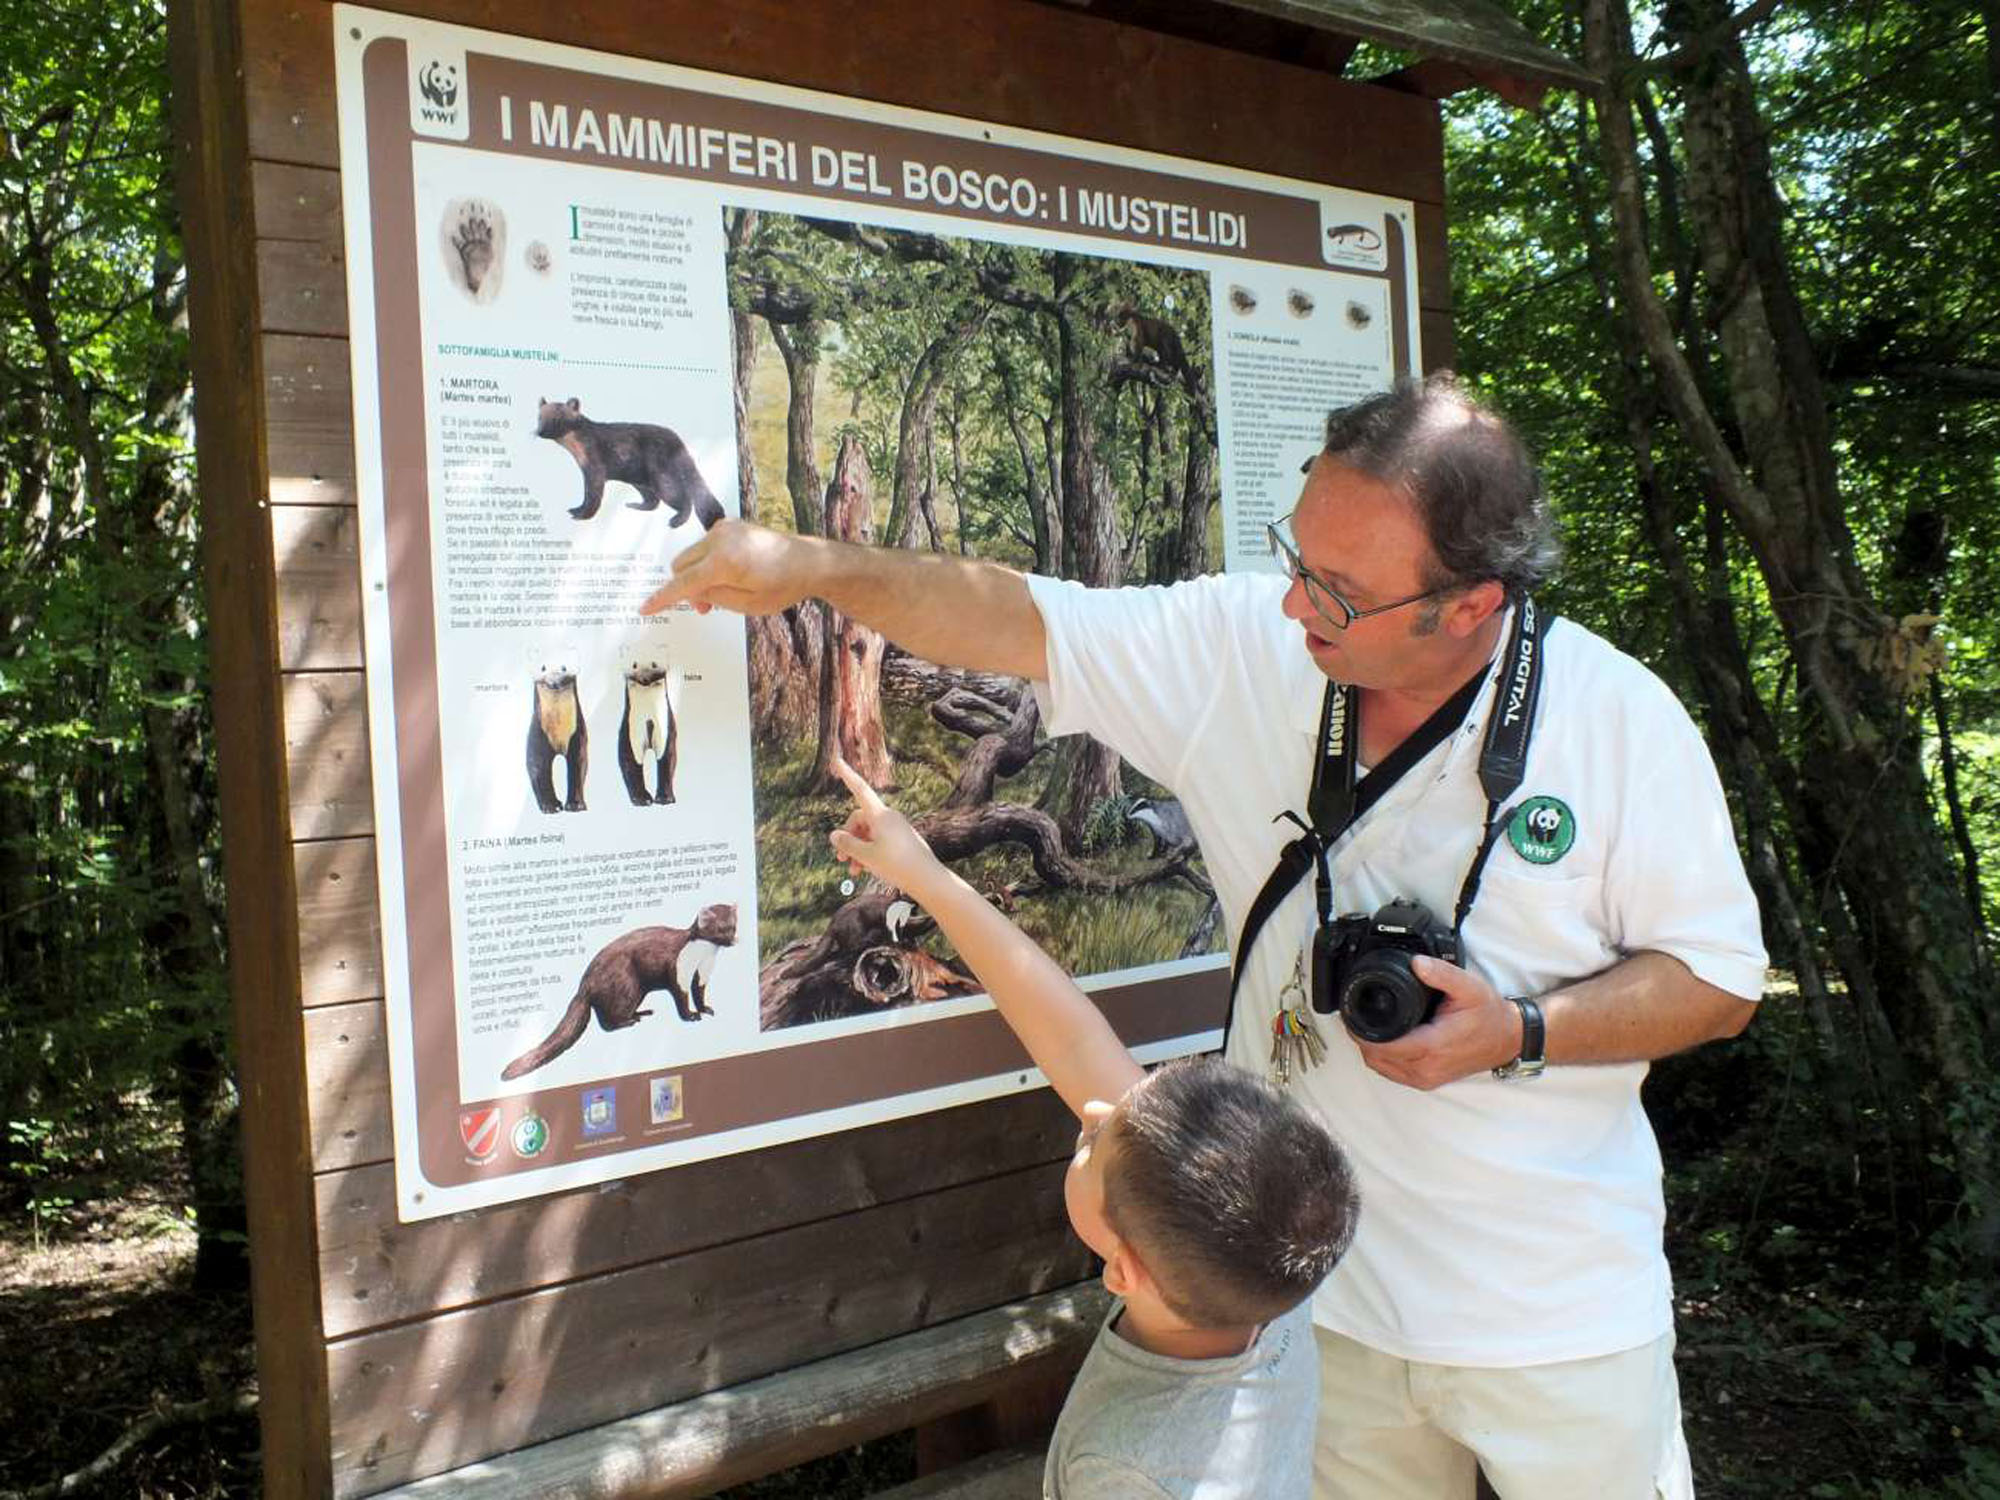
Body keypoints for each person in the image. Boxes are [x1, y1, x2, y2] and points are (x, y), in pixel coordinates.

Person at [641, 373, 1768, 1499]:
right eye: (1296, 560)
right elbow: (1015, 615)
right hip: (1315, 1312)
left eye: (1336, 592)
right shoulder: (1242, 650)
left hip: (1556, 1317)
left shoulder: (1616, 719)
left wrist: (1518, 1028)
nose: (1293, 608)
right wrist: (805, 568)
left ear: (1467, 604)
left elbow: (1713, 983)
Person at [826, 755, 1358, 1500]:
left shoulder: (1131, 1470)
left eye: (1094, 1142)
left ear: (1124, 1271)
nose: (1101, 1108)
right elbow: (1074, 1039)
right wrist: (924, 874)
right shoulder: (1264, 1295)